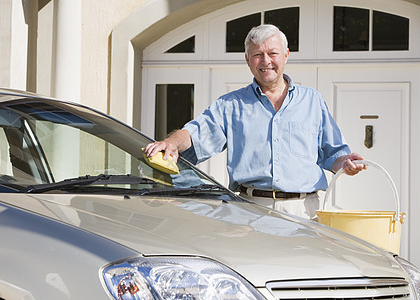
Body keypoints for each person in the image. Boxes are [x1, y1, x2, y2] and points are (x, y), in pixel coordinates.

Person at [144, 24, 366, 219]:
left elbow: (333, 154)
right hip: (250, 210)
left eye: (272, 53)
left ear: (286, 55)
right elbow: (195, 134)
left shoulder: (313, 101)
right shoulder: (231, 105)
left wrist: (345, 162)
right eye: (258, 54)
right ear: (247, 60)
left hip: (304, 211)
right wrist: (171, 143)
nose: (266, 61)